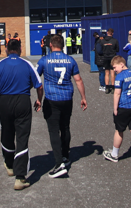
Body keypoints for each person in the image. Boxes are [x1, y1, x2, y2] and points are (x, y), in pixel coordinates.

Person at [0, 39, 43, 190]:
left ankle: (10, 165)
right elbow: (39, 85)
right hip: (22, 101)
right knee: (22, 137)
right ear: (20, 49)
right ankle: (20, 177)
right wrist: (39, 100)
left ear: (7, 50)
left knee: (6, 134)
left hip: (5, 102)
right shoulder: (27, 64)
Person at [36, 35, 88, 178]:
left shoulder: (44, 60)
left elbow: (37, 81)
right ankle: (65, 155)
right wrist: (83, 97)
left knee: (53, 130)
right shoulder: (70, 60)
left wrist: (39, 99)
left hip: (52, 98)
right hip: (67, 98)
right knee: (65, 127)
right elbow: (78, 80)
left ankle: (59, 164)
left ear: (51, 45)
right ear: (63, 46)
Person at [103, 56, 131, 166]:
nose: (114, 70)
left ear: (121, 64)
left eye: (115, 67)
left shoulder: (120, 77)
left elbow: (117, 93)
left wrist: (115, 108)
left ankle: (114, 154)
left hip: (124, 106)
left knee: (119, 130)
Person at [99, 28, 119, 94]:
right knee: (112, 73)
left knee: (106, 73)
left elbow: (100, 50)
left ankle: (107, 87)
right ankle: (113, 87)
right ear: (112, 33)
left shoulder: (102, 41)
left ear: (107, 32)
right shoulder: (115, 41)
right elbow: (117, 49)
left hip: (105, 58)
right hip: (112, 58)